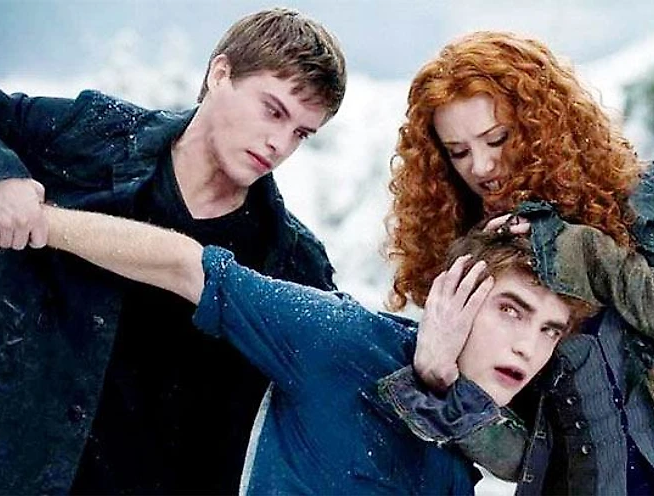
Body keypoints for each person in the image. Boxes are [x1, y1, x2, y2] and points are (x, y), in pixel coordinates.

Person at [0, 8, 346, 494]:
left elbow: (334, 391)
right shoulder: (95, 137)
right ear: (220, 74)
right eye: (273, 111)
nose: (280, 143)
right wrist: (0, 177)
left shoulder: (292, 261)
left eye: (302, 133)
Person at [37, 204, 594, 494]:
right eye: (511, 310)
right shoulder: (341, 338)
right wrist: (40, 223)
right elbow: (190, 269)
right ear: (455, 289)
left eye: (550, 330)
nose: (528, 347)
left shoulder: (469, 451)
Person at [384, 31, 654, 495]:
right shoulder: (476, 256)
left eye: (496, 139)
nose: (481, 166)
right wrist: (445, 386)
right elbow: (522, 459)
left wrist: (589, 257)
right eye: (458, 152)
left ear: (541, 123)